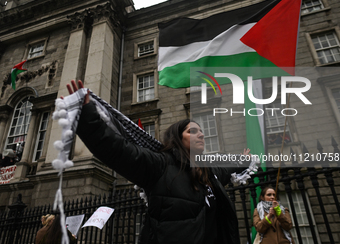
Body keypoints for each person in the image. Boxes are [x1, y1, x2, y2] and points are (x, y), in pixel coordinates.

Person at [66, 80, 252, 244]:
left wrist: (244, 160)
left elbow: (229, 169)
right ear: (179, 139)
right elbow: (118, 150)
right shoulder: (161, 165)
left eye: (201, 131)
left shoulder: (209, 171)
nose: (201, 134)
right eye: (192, 131)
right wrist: (87, 117)